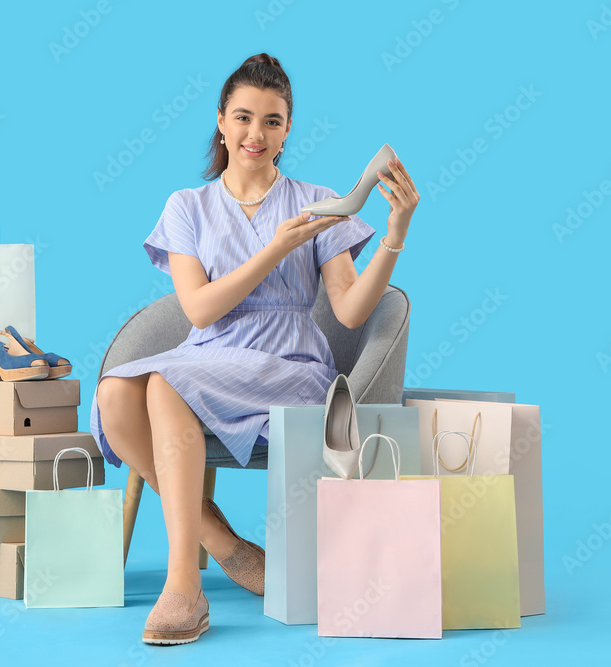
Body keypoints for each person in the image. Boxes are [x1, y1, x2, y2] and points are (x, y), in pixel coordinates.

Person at [90, 53, 419, 645]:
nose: (256, 134)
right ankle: (223, 541)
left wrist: (393, 236)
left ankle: (183, 587)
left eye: (272, 121)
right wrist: (274, 249)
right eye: (243, 118)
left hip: (289, 364)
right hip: (209, 350)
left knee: (164, 385)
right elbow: (198, 311)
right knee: (115, 392)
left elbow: (347, 310)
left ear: (288, 128)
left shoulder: (316, 199)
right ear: (220, 120)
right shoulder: (186, 207)